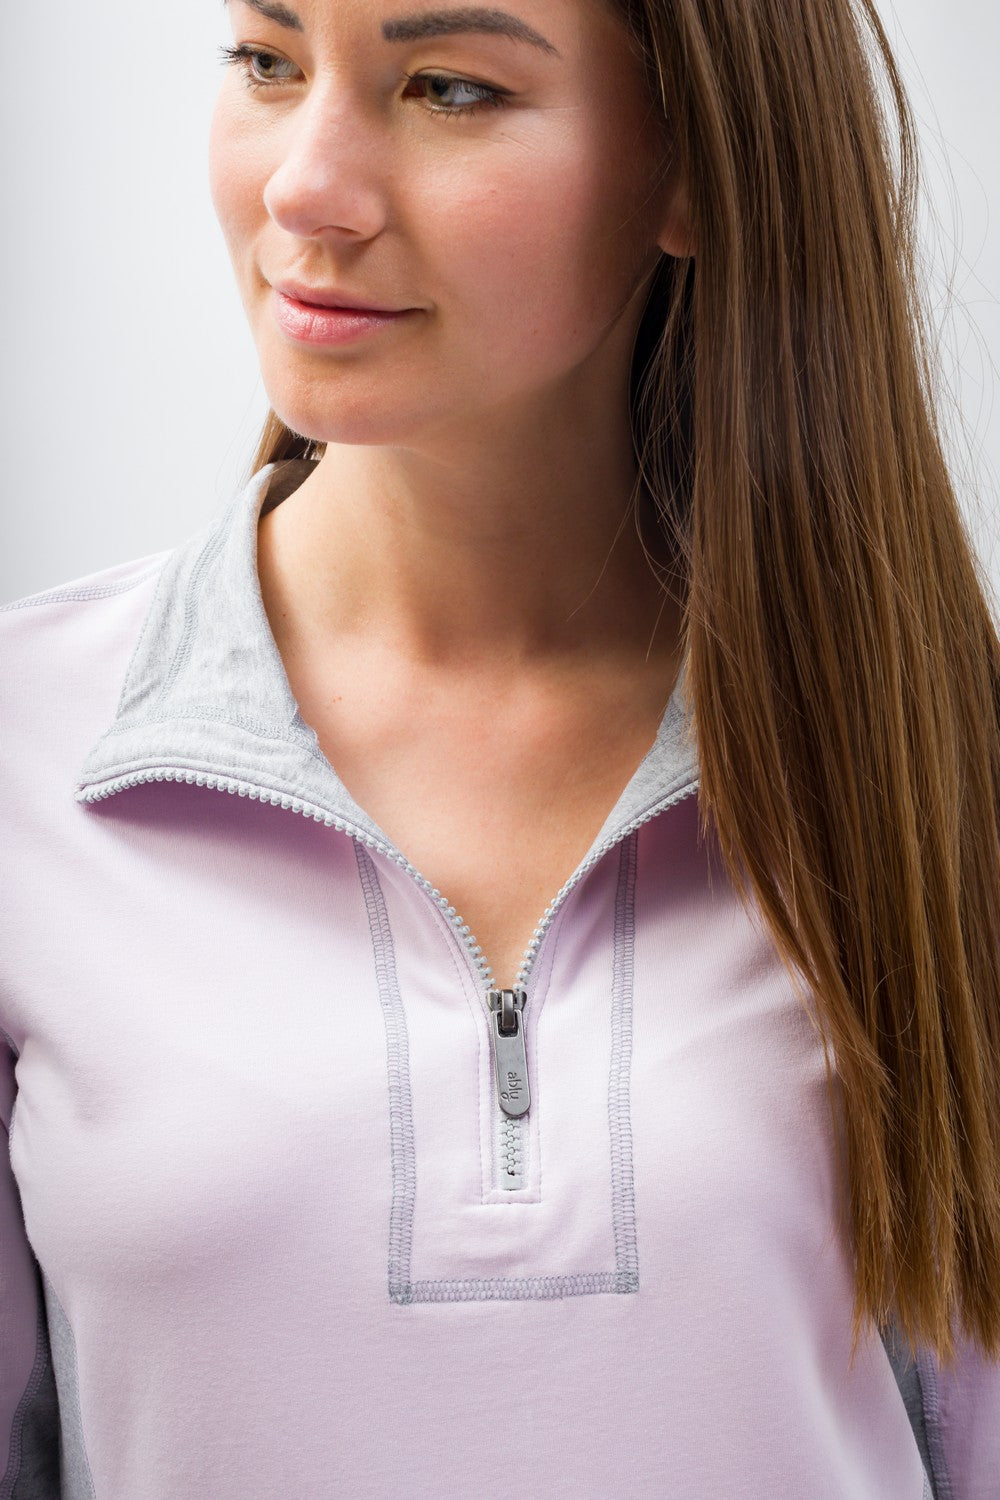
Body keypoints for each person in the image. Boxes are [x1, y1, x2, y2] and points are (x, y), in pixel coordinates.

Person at [1, 0, 998, 1494]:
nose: (304, 188)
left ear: (694, 170)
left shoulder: (945, 773)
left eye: (449, 88)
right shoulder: (25, 760)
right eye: (268, 62)